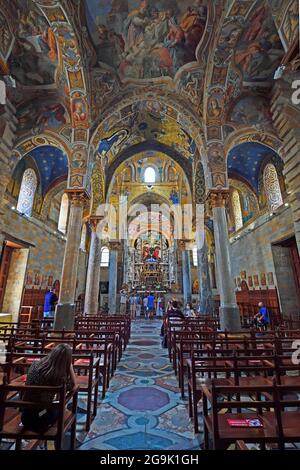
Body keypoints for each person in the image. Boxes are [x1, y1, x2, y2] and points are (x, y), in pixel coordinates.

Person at [21, 344, 76, 432]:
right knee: (62, 409)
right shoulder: (57, 376)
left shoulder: (36, 364)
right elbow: (73, 385)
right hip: (40, 416)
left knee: (52, 406)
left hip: (25, 415)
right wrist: (69, 365)